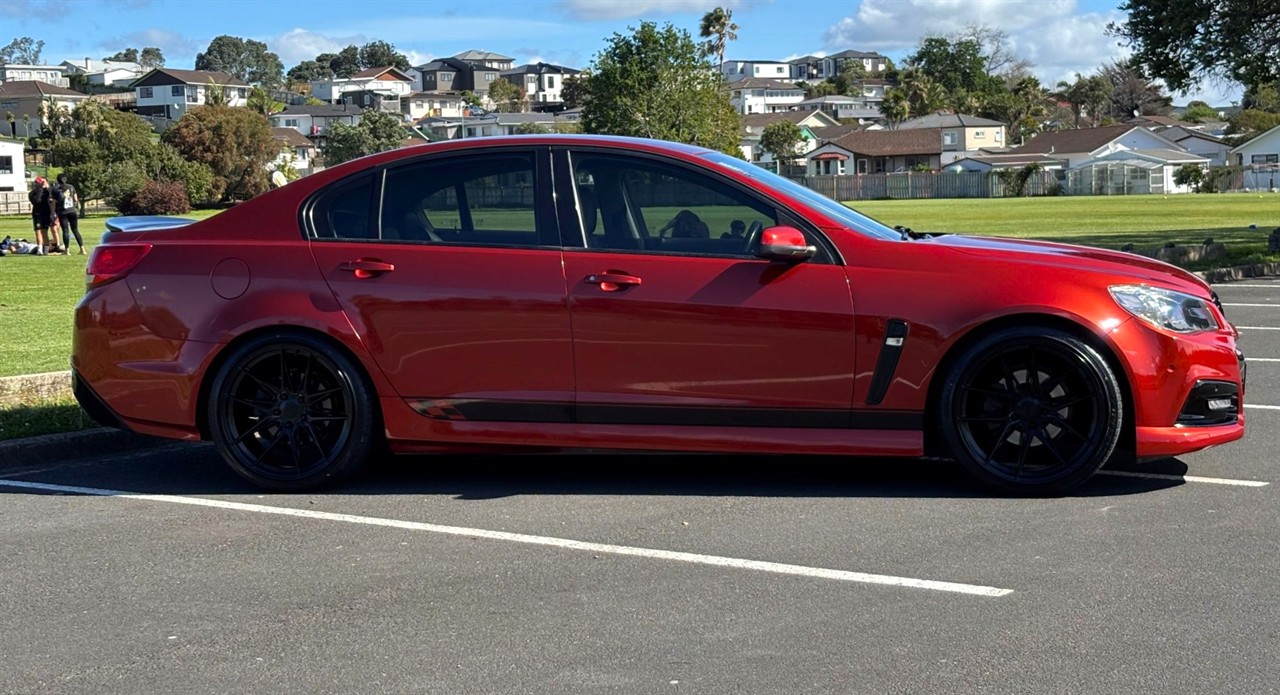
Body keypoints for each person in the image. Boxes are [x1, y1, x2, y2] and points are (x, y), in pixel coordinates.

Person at [54, 174, 85, 255]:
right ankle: (82, 249)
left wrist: (53, 211)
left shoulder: (56, 189)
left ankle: (67, 250)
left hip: (62, 212)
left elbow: (54, 202)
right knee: (75, 230)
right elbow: (75, 199)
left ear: (58, 180)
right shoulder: (71, 187)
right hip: (72, 211)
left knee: (65, 231)